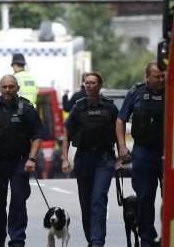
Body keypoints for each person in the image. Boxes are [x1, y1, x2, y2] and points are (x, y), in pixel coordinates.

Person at [0, 74, 46, 247]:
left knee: (18, 200)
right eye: (4, 87)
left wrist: (32, 159)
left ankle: (17, 240)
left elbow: (37, 136)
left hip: (20, 162)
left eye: (11, 87)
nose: (7, 90)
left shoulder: (27, 108)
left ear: (17, 88)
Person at [61, 72, 118, 247]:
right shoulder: (79, 107)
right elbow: (66, 133)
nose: (88, 86)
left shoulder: (109, 107)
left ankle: (97, 240)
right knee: (86, 201)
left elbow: (119, 129)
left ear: (100, 85)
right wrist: (65, 159)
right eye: (86, 83)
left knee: (98, 197)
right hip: (84, 157)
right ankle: (91, 238)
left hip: (104, 157)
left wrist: (122, 151)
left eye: (92, 83)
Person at [116, 61, 165, 247]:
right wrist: (122, 146)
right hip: (144, 152)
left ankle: (170, 235)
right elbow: (121, 119)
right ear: (147, 77)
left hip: (170, 153)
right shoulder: (136, 92)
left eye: (163, 76)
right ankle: (148, 239)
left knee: (170, 197)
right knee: (144, 197)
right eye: (157, 76)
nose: (162, 79)